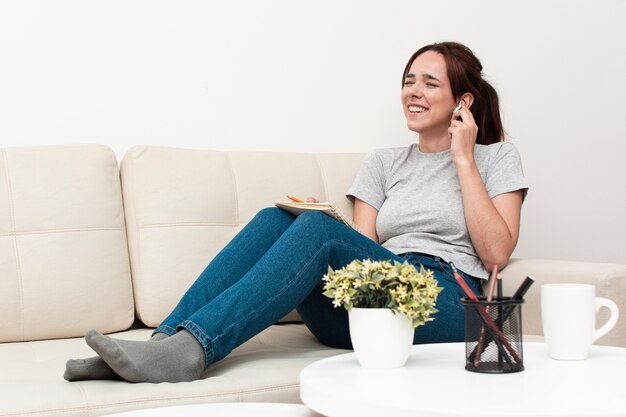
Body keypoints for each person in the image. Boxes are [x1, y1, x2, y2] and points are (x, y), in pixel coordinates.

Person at [64, 41, 528, 383]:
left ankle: (190, 350)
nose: (414, 91)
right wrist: (322, 226)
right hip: (371, 308)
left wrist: (464, 158)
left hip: (446, 301)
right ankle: (161, 346)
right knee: (277, 218)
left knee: (318, 230)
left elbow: (495, 255)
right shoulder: (384, 162)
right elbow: (365, 255)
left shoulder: (495, 158)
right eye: (408, 81)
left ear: (463, 100)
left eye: (430, 83)